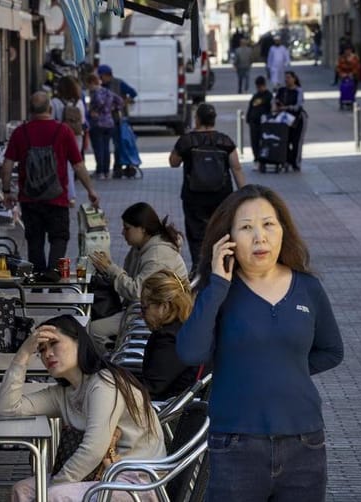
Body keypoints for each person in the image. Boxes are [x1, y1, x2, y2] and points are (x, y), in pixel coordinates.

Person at [177, 184, 344, 501]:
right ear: (227, 240)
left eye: (268, 224)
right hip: (235, 446)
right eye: (246, 227)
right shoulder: (217, 292)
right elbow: (190, 352)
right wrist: (216, 286)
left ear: (283, 230)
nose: (259, 237)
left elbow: (332, 351)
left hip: (304, 444)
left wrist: (283, 371)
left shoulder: (308, 288)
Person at [0, 316, 165, 502]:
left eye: (54, 344)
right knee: (22, 490)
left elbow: (93, 448)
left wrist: (53, 486)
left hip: (134, 481)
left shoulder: (104, 383)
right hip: (98, 475)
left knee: (53, 496)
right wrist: (23, 354)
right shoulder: (62, 393)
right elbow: (8, 408)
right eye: (41, 350)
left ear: (79, 341)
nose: (48, 354)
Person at [1, 91, 99, 272]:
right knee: (59, 238)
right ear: (50, 108)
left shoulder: (20, 132)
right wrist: (90, 190)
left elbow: (7, 164)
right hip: (57, 198)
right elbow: (78, 165)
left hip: (29, 199)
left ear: (30, 110)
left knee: (34, 241)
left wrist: (6, 191)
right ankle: (54, 277)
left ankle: (37, 280)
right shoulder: (63, 131)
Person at [87, 202, 189, 353]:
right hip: (142, 309)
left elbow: (137, 292)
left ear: (142, 229)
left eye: (127, 228)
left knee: (94, 329)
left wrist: (111, 269)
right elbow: (129, 278)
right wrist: (108, 269)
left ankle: (110, 366)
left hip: (156, 313)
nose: (123, 233)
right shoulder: (141, 248)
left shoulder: (157, 255)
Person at [169, 103, 247, 272]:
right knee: (222, 231)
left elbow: (173, 163)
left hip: (193, 197)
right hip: (222, 196)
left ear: (197, 119)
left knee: (196, 234)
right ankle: (223, 267)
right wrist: (245, 194)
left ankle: (200, 267)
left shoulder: (187, 141)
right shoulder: (224, 140)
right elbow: (237, 168)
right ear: (214, 120)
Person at [139, 270, 201, 401]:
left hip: (167, 414)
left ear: (164, 307)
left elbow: (150, 389)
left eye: (144, 308)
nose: (141, 314)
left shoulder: (171, 339)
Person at [98, 65, 138, 178]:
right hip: (103, 121)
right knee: (105, 146)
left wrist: (123, 102)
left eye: (102, 76)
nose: (101, 79)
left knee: (118, 145)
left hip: (117, 120)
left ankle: (117, 168)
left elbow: (133, 93)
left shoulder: (118, 83)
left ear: (107, 75)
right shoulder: (101, 86)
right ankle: (104, 169)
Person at [85, 74, 125, 180]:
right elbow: (120, 101)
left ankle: (100, 171)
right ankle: (106, 171)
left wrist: (95, 110)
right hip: (109, 123)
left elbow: (99, 102)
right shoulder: (107, 91)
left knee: (98, 148)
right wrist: (112, 108)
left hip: (97, 123)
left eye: (88, 85)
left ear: (92, 83)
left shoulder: (96, 93)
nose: (88, 87)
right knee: (106, 148)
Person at [274, 71, 307, 171]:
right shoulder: (282, 90)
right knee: (285, 141)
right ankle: (287, 161)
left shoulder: (298, 91)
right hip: (284, 120)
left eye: (288, 77)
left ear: (294, 79)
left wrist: (286, 107)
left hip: (297, 119)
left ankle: (295, 163)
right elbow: (275, 100)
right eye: (285, 78)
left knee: (296, 142)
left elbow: (298, 106)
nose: (286, 80)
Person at [246, 76, 273, 171]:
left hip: (263, 123)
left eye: (260, 87)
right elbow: (251, 107)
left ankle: (263, 160)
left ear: (264, 85)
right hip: (253, 122)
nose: (259, 89)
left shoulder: (268, 96)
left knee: (263, 142)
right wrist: (248, 118)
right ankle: (256, 159)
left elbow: (271, 109)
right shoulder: (256, 96)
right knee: (254, 142)